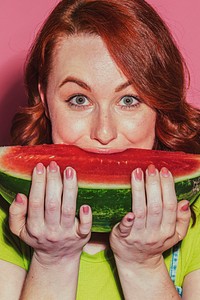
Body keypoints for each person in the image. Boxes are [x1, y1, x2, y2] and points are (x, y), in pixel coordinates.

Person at [0, 0, 200, 299]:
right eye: (79, 99)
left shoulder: (194, 220)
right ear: (45, 100)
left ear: (160, 106)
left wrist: (142, 266)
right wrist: (53, 261)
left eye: (129, 100)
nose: (104, 133)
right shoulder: (7, 218)